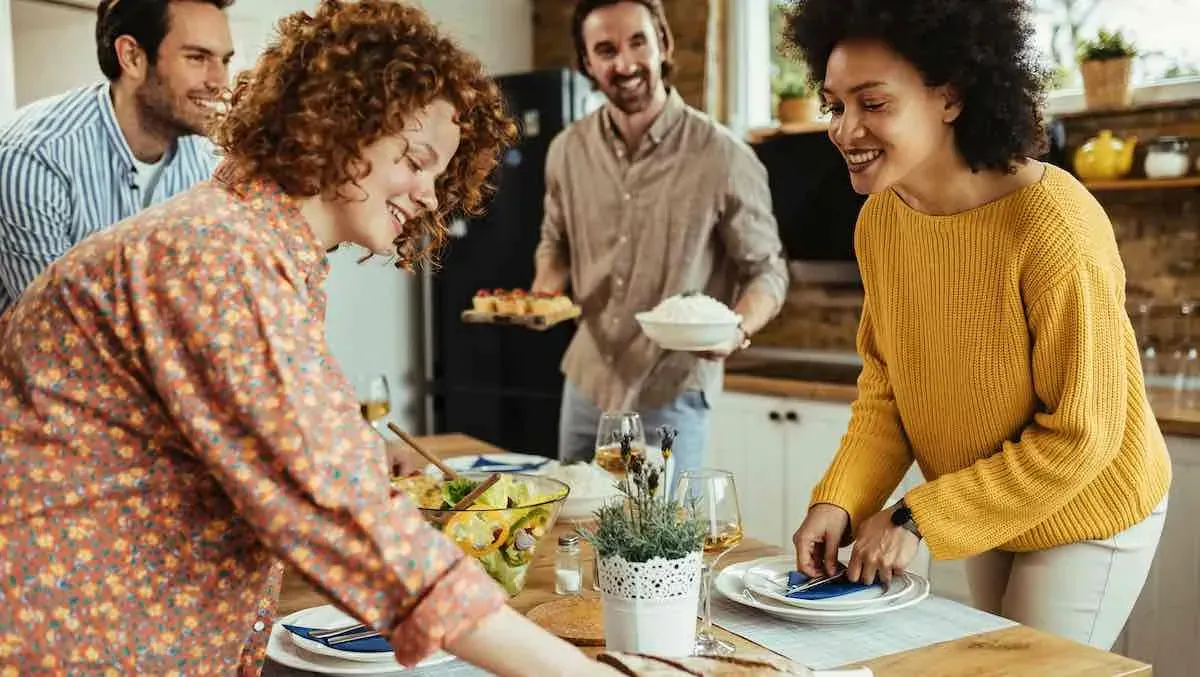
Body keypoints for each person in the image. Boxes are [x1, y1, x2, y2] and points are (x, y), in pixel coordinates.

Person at [0, 2, 619, 674]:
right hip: (71, 641)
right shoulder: (217, 253)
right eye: (416, 160)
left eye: (441, 176)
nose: (430, 196)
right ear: (341, 123)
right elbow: (345, 512)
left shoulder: (252, 244)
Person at [785, 0, 1171, 651]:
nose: (845, 129)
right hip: (994, 500)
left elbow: (1081, 434)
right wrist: (842, 499)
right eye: (834, 105)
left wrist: (915, 514)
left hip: (1089, 509)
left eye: (872, 103)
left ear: (951, 97)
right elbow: (888, 390)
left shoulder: (1052, 225)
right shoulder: (881, 219)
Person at [533, 0, 788, 474]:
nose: (625, 64)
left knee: (664, 544)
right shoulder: (566, 151)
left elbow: (767, 272)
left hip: (671, 387)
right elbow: (555, 240)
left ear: (663, 44)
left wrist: (738, 329)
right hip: (588, 382)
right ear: (587, 63)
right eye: (605, 50)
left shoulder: (722, 156)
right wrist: (543, 292)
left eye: (637, 42)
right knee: (573, 534)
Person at [0, 0, 233, 313]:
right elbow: (61, 323)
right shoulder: (34, 157)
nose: (220, 82)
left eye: (225, 61)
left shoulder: (210, 161)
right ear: (132, 57)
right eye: (197, 57)